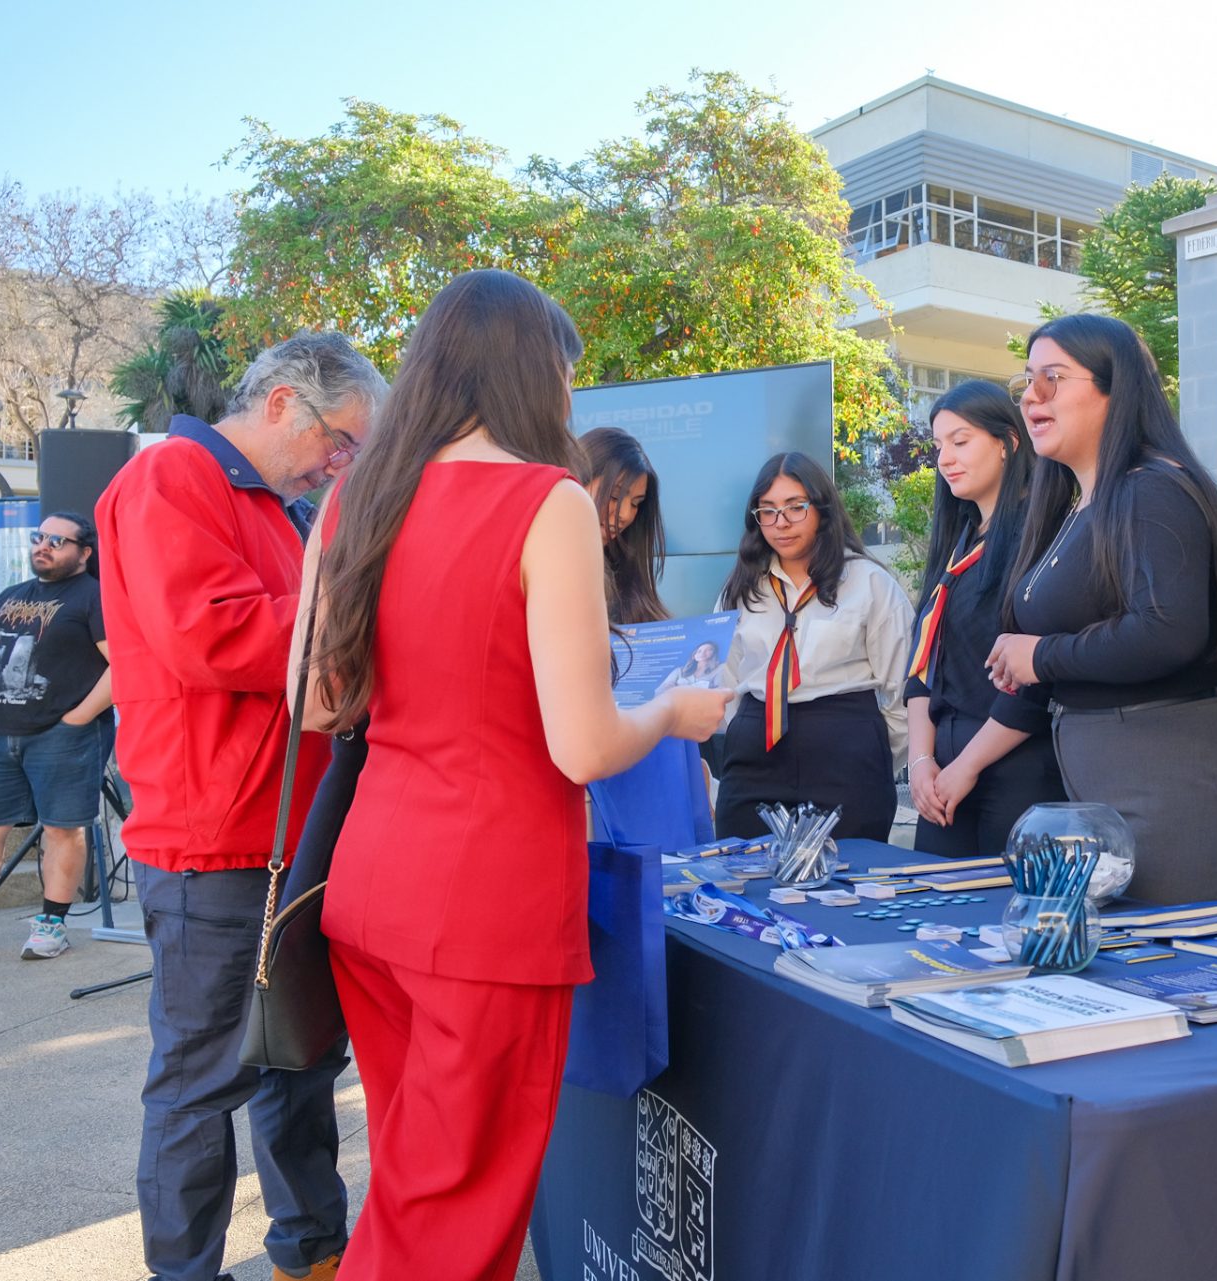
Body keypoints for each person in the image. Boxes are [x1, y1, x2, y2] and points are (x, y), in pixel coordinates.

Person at [295, 269, 730, 1281]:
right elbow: (584, 747)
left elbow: (314, 705)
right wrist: (671, 713)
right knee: (450, 1222)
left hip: (371, 886)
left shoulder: (357, 497)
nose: (570, 395)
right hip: (487, 902)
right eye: (566, 372)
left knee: (415, 1187)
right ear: (533, 371)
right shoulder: (546, 501)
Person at [95, 331, 385, 1281]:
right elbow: (211, 633)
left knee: (298, 1061)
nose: (340, 465)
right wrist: (357, 618)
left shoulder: (275, 505)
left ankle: (312, 1248)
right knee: (200, 1084)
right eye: (340, 442)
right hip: (216, 841)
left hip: (287, 837)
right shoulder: (172, 476)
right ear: (282, 402)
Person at [986, 314, 1217, 905]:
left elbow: (1168, 630)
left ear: (1114, 390)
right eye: (1026, 380)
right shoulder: (1078, 504)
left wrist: (1041, 657)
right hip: (1109, 800)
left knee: (1183, 964)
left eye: (1053, 378)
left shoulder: (1152, 488)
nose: (1031, 397)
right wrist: (1026, 661)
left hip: (1182, 795)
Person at [713, 452, 913, 841]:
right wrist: (748, 731)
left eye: (795, 507)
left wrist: (872, 757)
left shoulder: (868, 582)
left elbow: (901, 690)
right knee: (745, 867)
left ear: (822, 509)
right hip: (755, 758)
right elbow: (727, 681)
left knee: (850, 869)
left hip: (847, 755)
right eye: (767, 511)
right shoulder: (740, 587)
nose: (781, 522)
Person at [903, 380, 1064, 858]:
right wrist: (920, 761)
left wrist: (967, 765)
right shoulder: (958, 542)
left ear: (1007, 443)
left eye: (960, 441)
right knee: (934, 901)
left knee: (1007, 903)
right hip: (943, 771)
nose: (945, 459)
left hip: (1015, 766)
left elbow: (1034, 681)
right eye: (938, 446)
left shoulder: (1041, 535)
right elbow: (922, 667)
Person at [0, 512, 112, 961]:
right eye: (40, 537)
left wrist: (78, 717)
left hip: (64, 736)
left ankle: (52, 925)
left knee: (62, 830)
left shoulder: (95, 597)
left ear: (84, 552)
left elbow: (125, 665)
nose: (43, 545)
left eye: (57, 541)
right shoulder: (10, 596)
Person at [579, 425, 668, 624]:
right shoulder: (539, 564)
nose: (626, 514)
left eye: (636, 503)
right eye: (615, 496)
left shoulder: (629, 585)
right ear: (576, 482)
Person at [657, 640, 723, 693]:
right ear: (694, 656)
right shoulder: (679, 671)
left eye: (708, 650)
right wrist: (668, 687)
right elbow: (659, 692)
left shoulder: (719, 669)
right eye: (699, 651)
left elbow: (721, 691)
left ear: (714, 653)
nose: (702, 653)